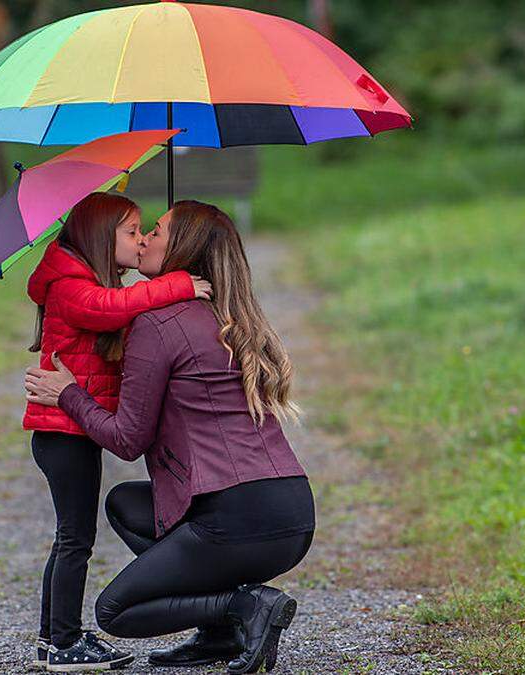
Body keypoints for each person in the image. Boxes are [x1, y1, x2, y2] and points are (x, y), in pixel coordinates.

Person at [26, 201, 314, 674]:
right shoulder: (228, 312)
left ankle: (242, 609)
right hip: (291, 514)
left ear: (179, 248)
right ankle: (219, 636)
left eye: (155, 231)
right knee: (126, 503)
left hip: (234, 516)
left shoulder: (159, 323)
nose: (145, 240)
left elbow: (126, 440)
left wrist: (69, 394)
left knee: (114, 611)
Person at [22, 192, 213, 672]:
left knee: (72, 537)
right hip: (63, 433)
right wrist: (179, 285)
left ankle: (54, 638)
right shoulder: (70, 284)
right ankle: (63, 644)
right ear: (100, 239)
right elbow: (109, 309)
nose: (139, 239)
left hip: (70, 431)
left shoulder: (83, 278)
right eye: (131, 232)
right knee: (75, 539)